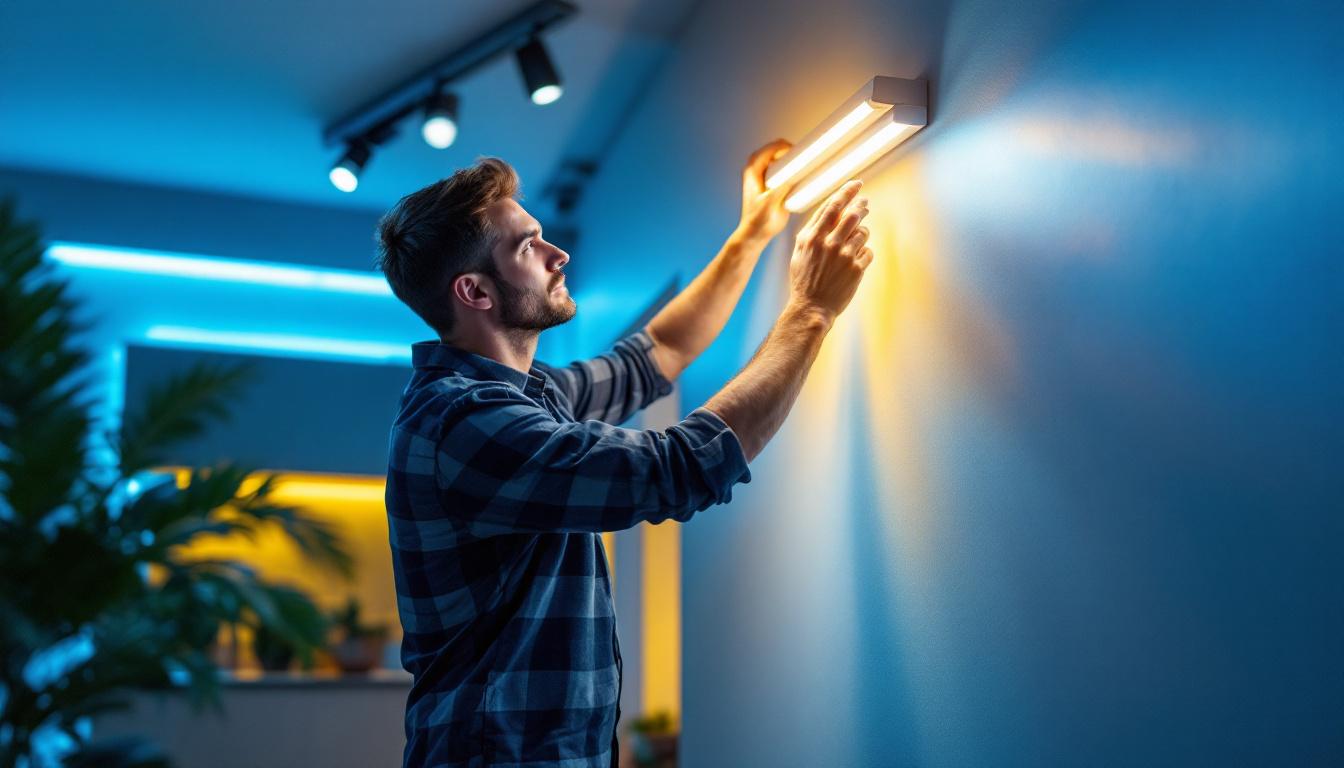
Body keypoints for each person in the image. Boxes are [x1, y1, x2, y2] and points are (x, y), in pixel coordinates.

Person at [377, 140, 872, 767]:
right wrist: (810, 311)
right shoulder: (465, 423)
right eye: (527, 247)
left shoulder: (532, 396)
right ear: (475, 291)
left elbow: (657, 353)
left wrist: (752, 234)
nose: (558, 255)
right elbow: (679, 468)